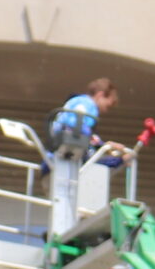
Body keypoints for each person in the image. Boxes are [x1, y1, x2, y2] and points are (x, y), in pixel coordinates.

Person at [45, 77, 127, 238]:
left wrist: (107, 149)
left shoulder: (72, 105)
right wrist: (107, 149)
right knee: (73, 211)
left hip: (52, 165)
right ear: (100, 94)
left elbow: (90, 147)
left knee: (63, 212)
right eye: (107, 104)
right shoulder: (85, 106)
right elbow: (78, 133)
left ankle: (56, 236)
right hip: (64, 169)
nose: (105, 110)